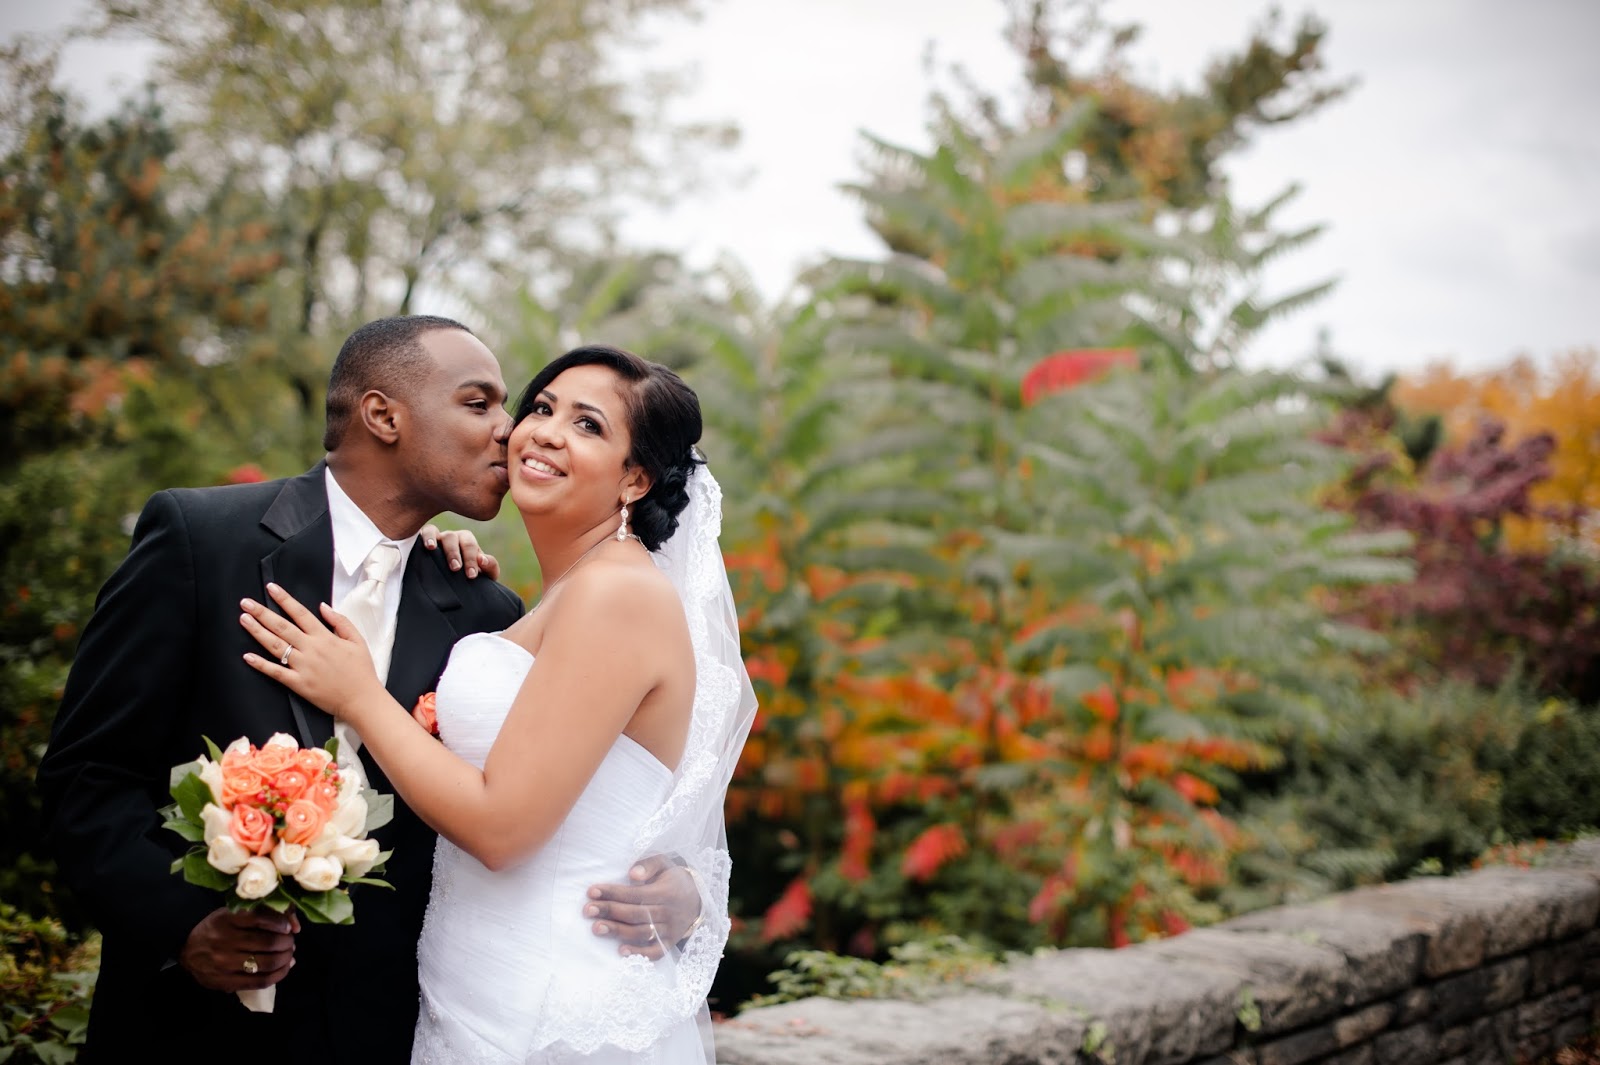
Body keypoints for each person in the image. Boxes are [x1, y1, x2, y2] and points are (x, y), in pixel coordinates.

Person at [37, 318, 700, 1062]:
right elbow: (87, 777)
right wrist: (184, 924)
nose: (511, 429)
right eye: (482, 403)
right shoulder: (202, 541)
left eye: (527, 409)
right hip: (192, 1032)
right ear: (384, 416)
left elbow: (577, 787)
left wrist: (681, 883)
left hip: (394, 1028)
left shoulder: (483, 610)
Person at [237, 345, 757, 1064]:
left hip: (551, 1010)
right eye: (542, 408)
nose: (545, 431)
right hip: (475, 986)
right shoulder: (550, 596)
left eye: (588, 425)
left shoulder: (617, 593)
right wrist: (416, 552)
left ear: (634, 479)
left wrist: (358, 695)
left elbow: (502, 828)